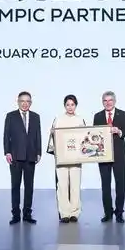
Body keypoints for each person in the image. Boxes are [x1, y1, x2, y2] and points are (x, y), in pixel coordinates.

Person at [3, 91, 41, 225]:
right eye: (22, 101)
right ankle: (15, 214)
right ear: (18, 102)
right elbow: (6, 135)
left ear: (31, 103)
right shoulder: (11, 116)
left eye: (27, 101)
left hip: (30, 156)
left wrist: (39, 152)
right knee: (15, 186)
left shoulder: (35, 117)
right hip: (15, 156)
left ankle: (27, 214)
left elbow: (38, 135)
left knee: (29, 186)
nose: (25, 104)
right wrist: (7, 152)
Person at [93, 91, 125, 223]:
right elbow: (94, 135)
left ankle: (119, 213)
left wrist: (119, 131)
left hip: (119, 155)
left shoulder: (123, 114)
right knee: (105, 185)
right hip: (103, 155)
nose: (108, 103)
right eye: (105, 101)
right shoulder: (97, 116)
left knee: (120, 184)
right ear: (102, 102)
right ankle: (108, 213)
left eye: (110, 100)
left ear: (114, 101)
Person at [49, 94, 86, 223]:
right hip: (62, 157)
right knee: (62, 185)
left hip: (76, 157)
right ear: (64, 106)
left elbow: (85, 138)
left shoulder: (80, 120)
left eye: (72, 104)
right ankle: (64, 213)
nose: (70, 107)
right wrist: (52, 134)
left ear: (76, 105)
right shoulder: (58, 119)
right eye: (68, 104)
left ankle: (74, 212)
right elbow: (53, 138)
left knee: (75, 185)